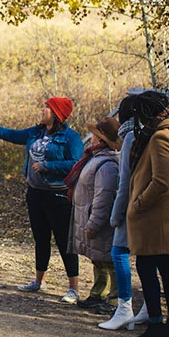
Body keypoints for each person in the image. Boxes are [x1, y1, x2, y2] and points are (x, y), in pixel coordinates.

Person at [0, 97, 84, 302]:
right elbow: (13, 135)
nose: (43, 110)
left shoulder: (71, 138)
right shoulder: (36, 132)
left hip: (59, 196)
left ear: (57, 113)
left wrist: (47, 167)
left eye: (47, 107)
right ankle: (39, 281)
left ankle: (73, 288)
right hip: (35, 193)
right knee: (40, 238)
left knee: (63, 241)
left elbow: (76, 163)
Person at [121, 91, 169, 337]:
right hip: (167, 213)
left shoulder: (160, 137)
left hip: (153, 215)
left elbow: (160, 182)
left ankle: (155, 328)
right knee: (167, 268)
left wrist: (138, 205)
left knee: (147, 269)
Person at [98, 95, 149, 330]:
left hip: (131, 204)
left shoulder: (130, 136)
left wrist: (115, 214)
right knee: (148, 257)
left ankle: (125, 307)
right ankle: (148, 306)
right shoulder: (149, 133)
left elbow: (124, 179)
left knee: (119, 253)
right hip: (148, 204)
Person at [64, 116, 121, 314]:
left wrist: (93, 223)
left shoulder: (107, 165)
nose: (91, 138)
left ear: (101, 139)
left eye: (95, 135)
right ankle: (97, 294)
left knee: (109, 261)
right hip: (87, 217)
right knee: (98, 259)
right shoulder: (94, 158)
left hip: (100, 223)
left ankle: (113, 300)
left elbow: (103, 198)